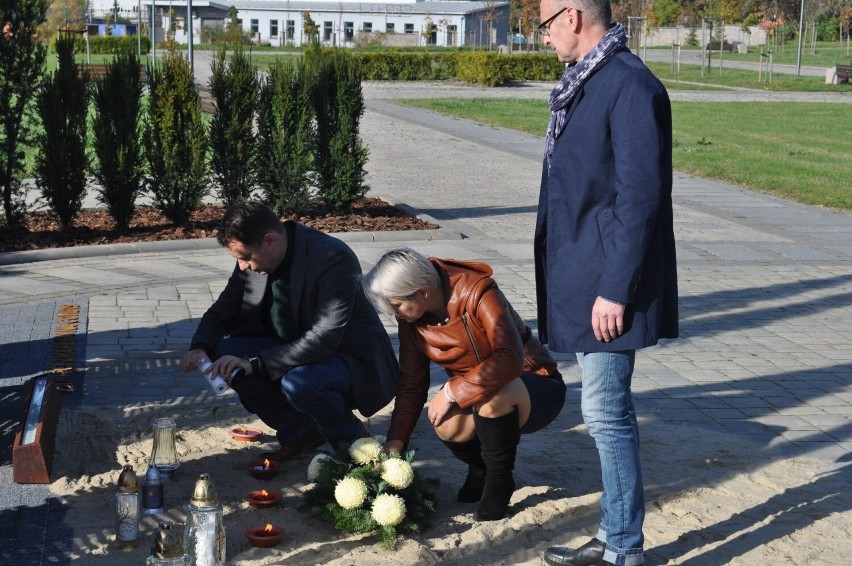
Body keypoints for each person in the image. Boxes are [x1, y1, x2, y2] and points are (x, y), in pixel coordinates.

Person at [534, 1, 679, 565]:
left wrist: (615, 289)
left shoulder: (628, 84)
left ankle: (623, 548)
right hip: (586, 272)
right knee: (603, 411)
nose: (542, 38)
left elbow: (639, 200)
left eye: (545, 25)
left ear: (572, 16)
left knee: (605, 412)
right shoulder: (587, 80)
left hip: (609, 285)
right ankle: (616, 534)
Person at [181, 201, 399, 460]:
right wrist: (199, 347)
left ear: (270, 241)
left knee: (300, 384)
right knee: (224, 354)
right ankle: (302, 430)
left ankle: (355, 445)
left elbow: (324, 339)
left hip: (350, 359)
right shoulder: (255, 260)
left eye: (246, 257)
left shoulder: (332, 257)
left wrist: (256, 363)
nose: (242, 267)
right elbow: (223, 310)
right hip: (294, 351)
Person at [362, 248, 566, 521]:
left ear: (422, 292)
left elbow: (510, 359)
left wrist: (451, 390)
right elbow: (411, 384)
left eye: (396, 305)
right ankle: (481, 470)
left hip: (534, 383)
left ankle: (499, 481)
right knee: (444, 421)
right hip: (479, 392)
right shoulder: (411, 317)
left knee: (490, 397)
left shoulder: (478, 290)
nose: (393, 312)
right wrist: (396, 441)